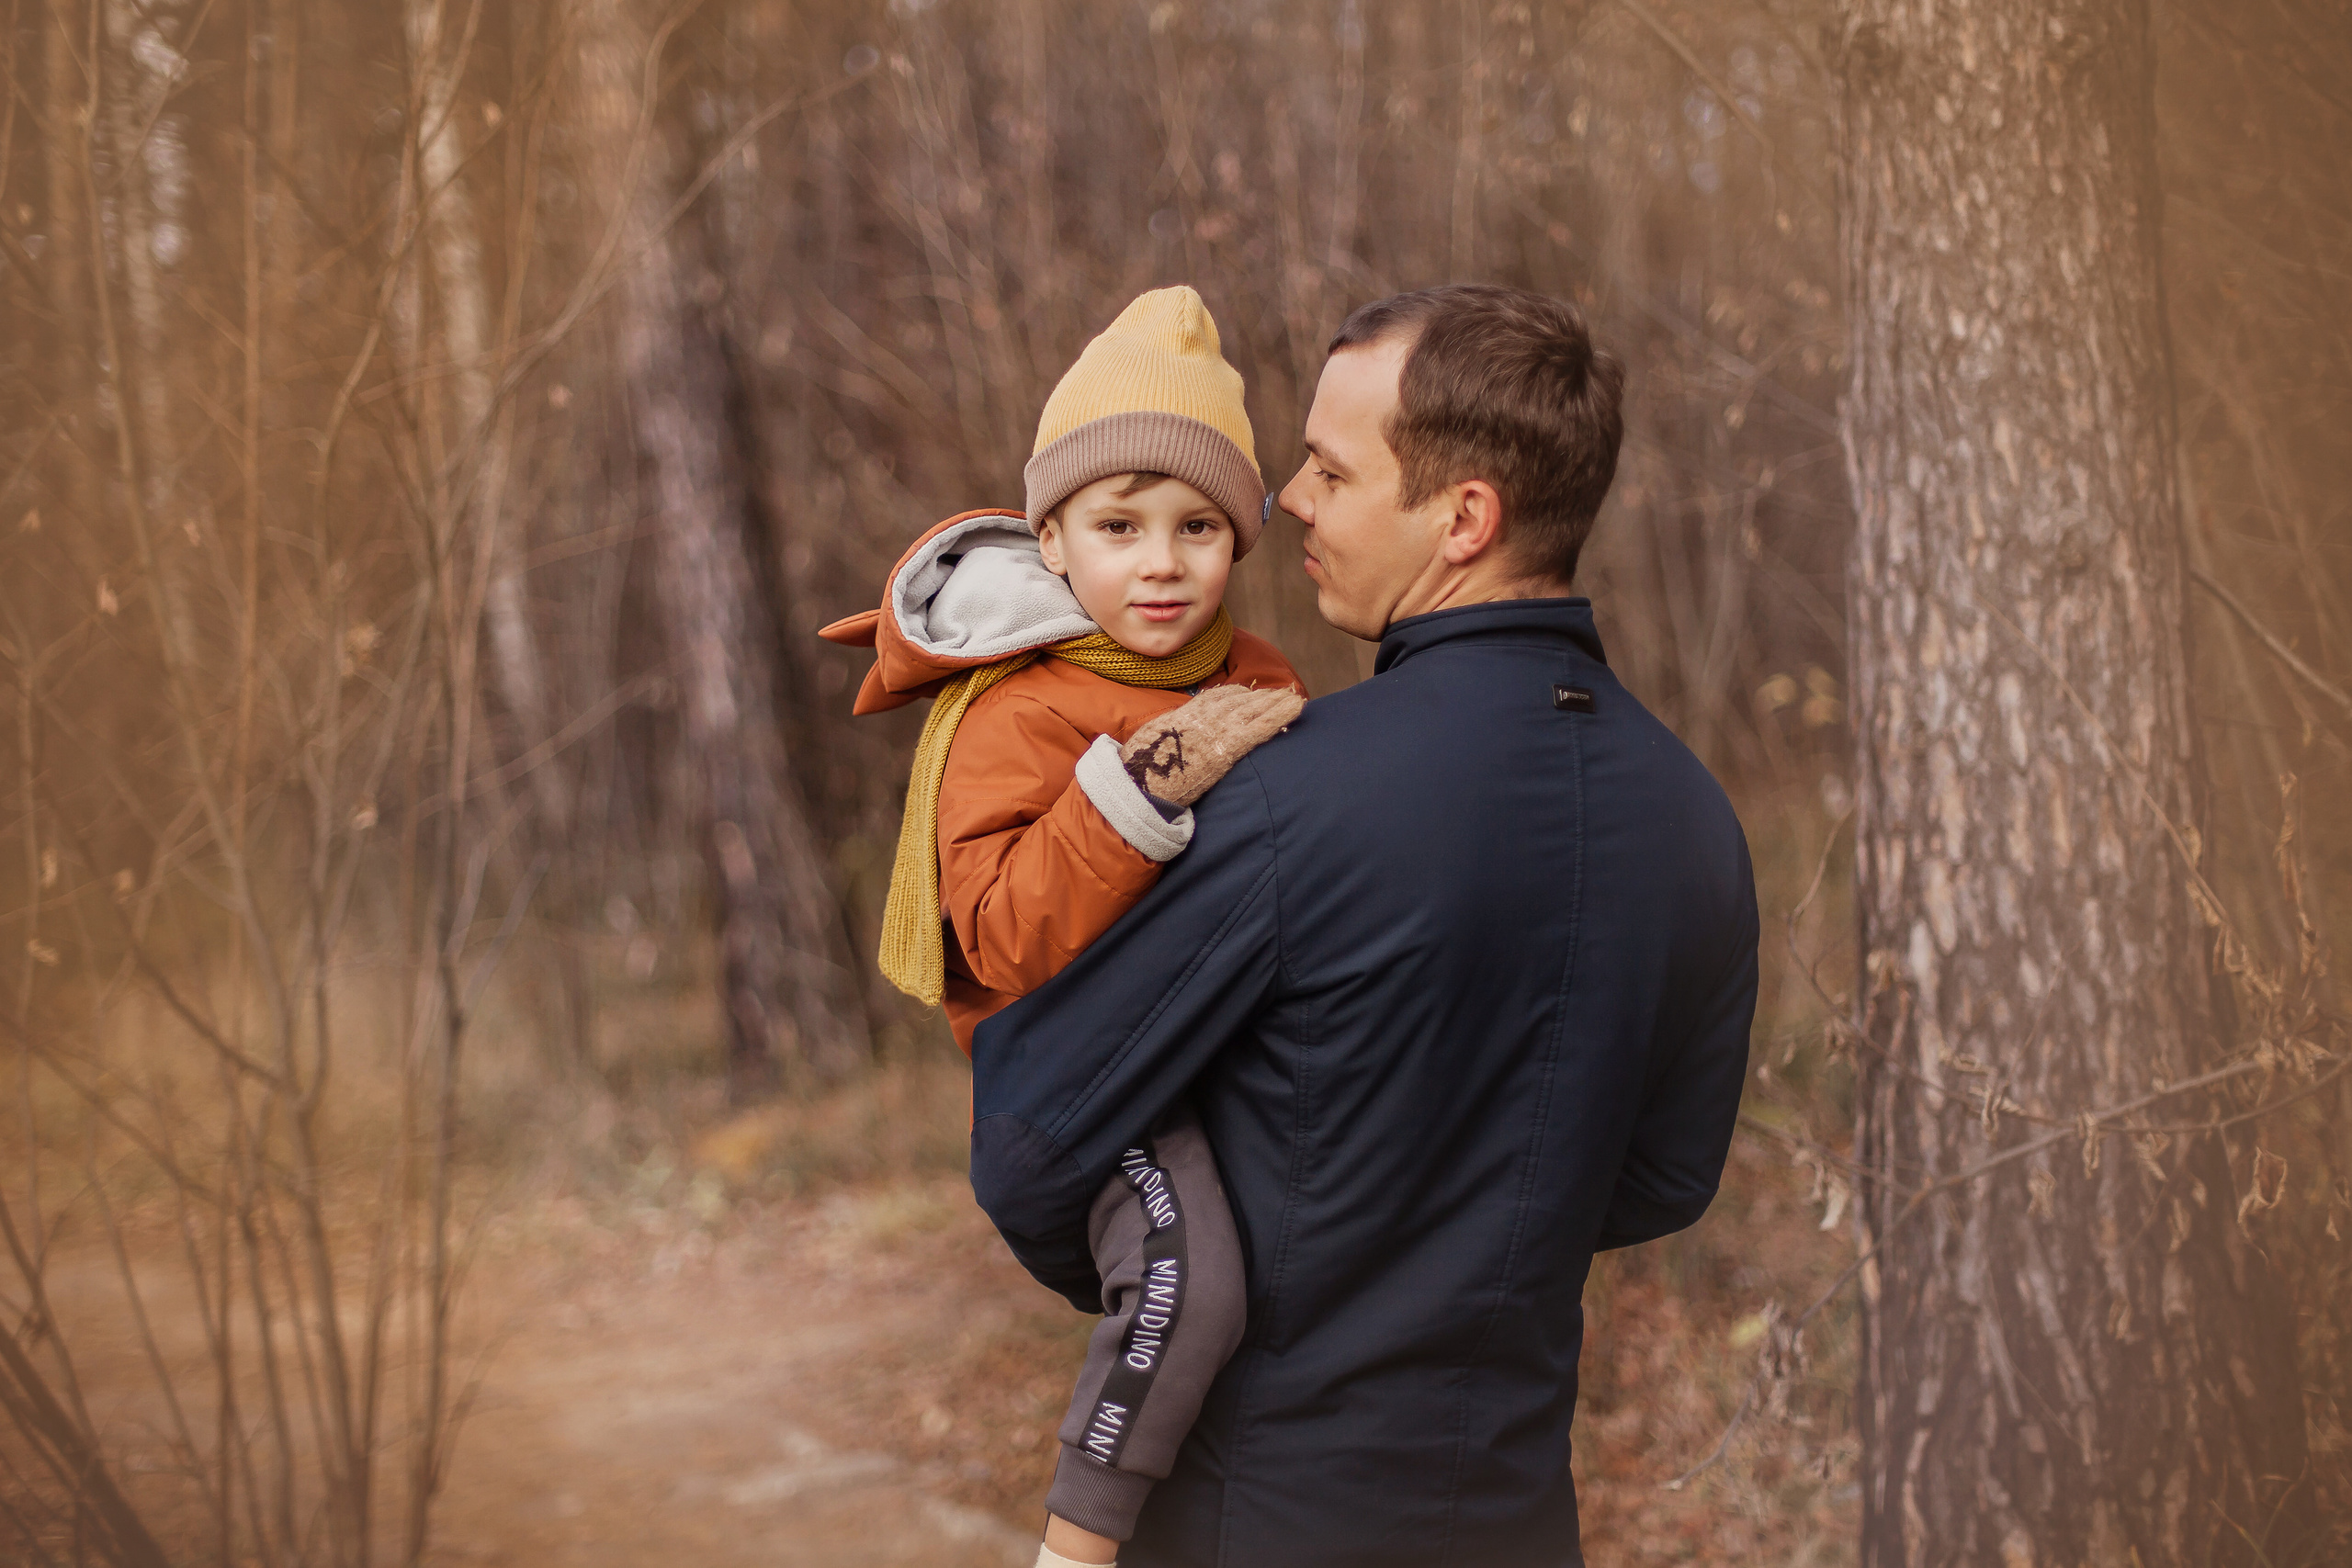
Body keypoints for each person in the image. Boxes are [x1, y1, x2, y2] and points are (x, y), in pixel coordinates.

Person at [969, 284, 1759, 1568]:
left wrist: (1208, 1262)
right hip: (1515, 1521)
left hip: (1256, 1520)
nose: (1288, 498)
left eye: (1332, 469)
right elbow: (1666, 1177)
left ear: (1465, 518)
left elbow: (1028, 1138)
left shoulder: (1283, 794)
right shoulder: (1696, 819)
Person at [820, 288, 1306, 1568]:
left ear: (1240, 537)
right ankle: (1075, 1546)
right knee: (1186, 1273)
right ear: (1053, 538)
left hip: (1216, 1043)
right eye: (1119, 524)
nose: (1161, 560)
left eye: (1199, 525)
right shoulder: (1017, 714)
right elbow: (992, 932)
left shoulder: (1254, 680)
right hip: (1085, 1075)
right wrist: (1132, 788)